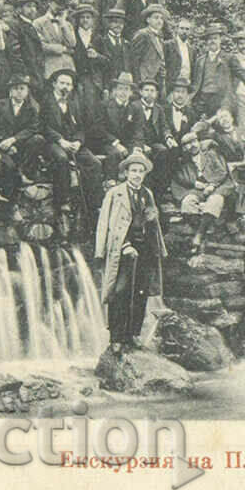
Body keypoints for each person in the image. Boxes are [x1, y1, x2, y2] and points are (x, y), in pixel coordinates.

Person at [94, 149, 167, 352]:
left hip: (145, 249)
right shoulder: (114, 193)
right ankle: (116, 338)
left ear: (144, 174)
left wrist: (158, 247)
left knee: (141, 292)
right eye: (133, 170)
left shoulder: (147, 194)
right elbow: (105, 224)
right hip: (122, 249)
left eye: (140, 171)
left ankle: (133, 334)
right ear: (126, 172)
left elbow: (154, 225)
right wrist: (117, 247)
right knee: (119, 291)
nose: (136, 174)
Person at [42, 68, 104, 231]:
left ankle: (94, 205)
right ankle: (63, 201)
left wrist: (77, 141)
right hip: (53, 143)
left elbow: (80, 128)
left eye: (68, 84)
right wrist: (60, 140)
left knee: (94, 163)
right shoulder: (46, 102)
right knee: (61, 159)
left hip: (73, 144)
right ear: (54, 84)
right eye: (62, 83)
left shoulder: (74, 103)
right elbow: (43, 127)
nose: (65, 87)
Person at [0, 74, 47, 202]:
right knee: (9, 167)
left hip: (19, 146)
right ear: (10, 91)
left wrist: (14, 140)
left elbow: (33, 128)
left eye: (22, 88)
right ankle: (5, 200)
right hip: (0, 144)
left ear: (27, 92)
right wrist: (5, 142)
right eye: (16, 88)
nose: (19, 92)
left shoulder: (31, 109)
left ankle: (25, 171)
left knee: (38, 139)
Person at [170, 131, 234, 251]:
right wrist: (195, 183)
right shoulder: (184, 162)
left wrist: (213, 185)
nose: (192, 145)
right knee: (187, 201)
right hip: (198, 190)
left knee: (216, 200)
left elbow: (222, 172)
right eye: (188, 144)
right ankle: (201, 230)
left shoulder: (211, 154)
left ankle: (198, 235)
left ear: (198, 142)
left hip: (218, 187)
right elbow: (179, 177)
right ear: (184, 148)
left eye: (194, 141)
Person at [87, 72, 145, 179]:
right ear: (115, 90)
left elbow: (138, 130)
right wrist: (116, 143)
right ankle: (111, 182)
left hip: (127, 143)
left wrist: (137, 147)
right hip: (106, 142)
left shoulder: (135, 108)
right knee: (115, 154)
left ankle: (134, 185)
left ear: (131, 92)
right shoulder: (104, 106)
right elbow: (99, 129)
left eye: (126, 89)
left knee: (139, 156)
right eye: (120, 89)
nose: (123, 92)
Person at [138, 78, 177, 201]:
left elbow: (164, 126)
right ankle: (144, 191)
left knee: (164, 151)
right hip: (137, 143)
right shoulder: (134, 106)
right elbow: (131, 131)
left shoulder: (158, 109)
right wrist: (140, 144)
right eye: (146, 90)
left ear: (156, 94)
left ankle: (159, 192)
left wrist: (168, 137)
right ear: (140, 92)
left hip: (153, 143)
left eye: (152, 91)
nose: (149, 93)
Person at [69, 4, 107, 119]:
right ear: (78, 19)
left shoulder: (98, 38)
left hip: (94, 80)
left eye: (88, 17)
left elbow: (108, 61)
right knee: (77, 109)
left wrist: (97, 56)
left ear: (92, 20)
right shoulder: (72, 35)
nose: (85, 20)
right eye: (82, 17)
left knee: (92, 110)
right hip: (76, 77)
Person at [34, 0, 76, 81]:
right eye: (58, 4)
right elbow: (40, 45)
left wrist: (63, 23)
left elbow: (72, 44)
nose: (60, 8)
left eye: (63, 6)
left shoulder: (67, 24)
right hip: (50, 67)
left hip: (68, 67)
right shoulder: (38, 23)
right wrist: (63, 49)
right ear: (49, 2)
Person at [129, 4, 168, 94]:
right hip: (144, 79)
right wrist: (137, 82)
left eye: (161, 18)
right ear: (148, 20)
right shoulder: (143, 34)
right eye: (156, 18)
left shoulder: (160, 36)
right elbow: (134, 60)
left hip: (158, 79)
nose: (159, 21)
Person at [164, 18, 195, 97]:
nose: (184, 31)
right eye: (182, 28)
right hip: (171, 86)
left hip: (186, 86)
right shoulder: (168, 45)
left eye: (187, 29)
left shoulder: (192, 49)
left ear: (190, 31)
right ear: (177, 29)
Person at [99, 8, 129, 89]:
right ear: (109, 23)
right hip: (105, 82)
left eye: (121, 23)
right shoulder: (101, 41)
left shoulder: (126, 43)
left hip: (122, 83)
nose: (118, 25)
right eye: (115, 22)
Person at [165, 77, 195, 154]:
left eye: (183, 92)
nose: (180, 95)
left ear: (187, 95)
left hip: (184, 151)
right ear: (172, 93)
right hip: (167, 150)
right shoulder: (164, 110)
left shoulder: (191, 113)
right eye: (177, 91)